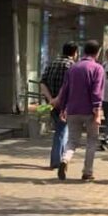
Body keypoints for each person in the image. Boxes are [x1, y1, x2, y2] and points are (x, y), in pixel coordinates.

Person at [53, 40, 105, 182]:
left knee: (72, 140)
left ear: (83, 51)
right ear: (98, 52)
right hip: (90, 110)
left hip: (73, 110)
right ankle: (87, 172)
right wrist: (97, 110)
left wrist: (63, 108)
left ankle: (65, 159)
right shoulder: (97, 68)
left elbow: (65, 90)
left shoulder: (73, 68)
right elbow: (96, 92)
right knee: (92, 141)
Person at [40, 42, 78, 170]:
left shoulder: (52, 63)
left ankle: (61, 158)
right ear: (75, 53)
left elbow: (42, 83)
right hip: (65, 103)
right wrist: (58, 99)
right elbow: (69, 85)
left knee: (60, 129)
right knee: (61, 131)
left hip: (51, 103)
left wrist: (51, 99)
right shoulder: (72, 66)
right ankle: (56, 161)